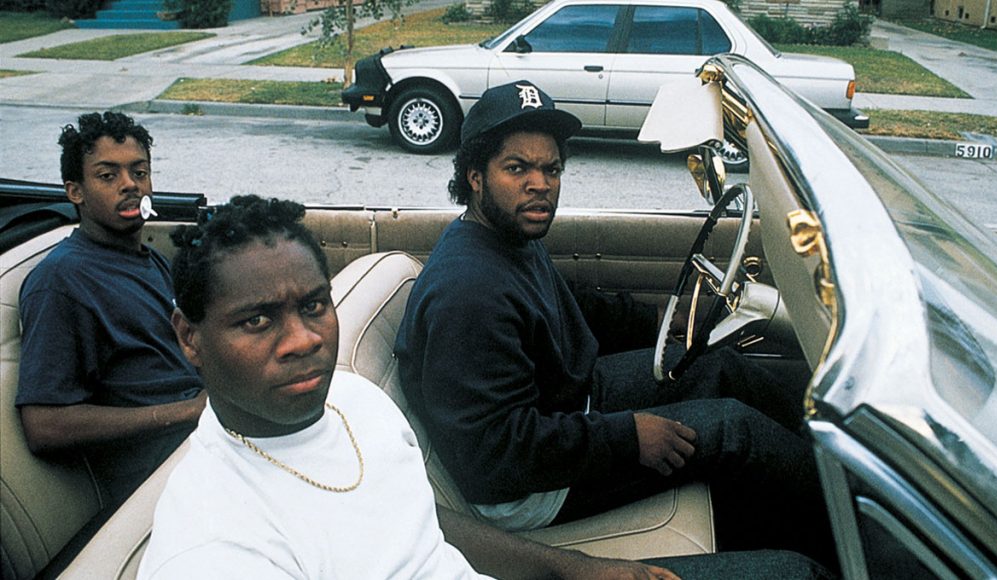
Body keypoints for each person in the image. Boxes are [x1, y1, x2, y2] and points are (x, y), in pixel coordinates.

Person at [140, 195, 831, 579]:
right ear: (189, 336)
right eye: (257, 320)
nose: (303, 340)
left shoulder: (352, 403)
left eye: (314, 305)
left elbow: (420, 519)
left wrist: (577, 571)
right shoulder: (216, 551)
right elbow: (500, 452)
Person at [393, 81, 836, 567]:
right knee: (734, 430)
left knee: (719, 368)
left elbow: (575, 305)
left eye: (551, 169)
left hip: (567, 405)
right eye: (517, 168)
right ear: (475, 177)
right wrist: (628, 438)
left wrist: (661, 325)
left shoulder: (506, 239)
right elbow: (496, 453)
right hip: (526, 488)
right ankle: (848, 531)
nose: (540, 184)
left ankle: (834, 461)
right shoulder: (469, 294)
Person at [16, 111, 206, 507]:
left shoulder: (151, 260)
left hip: (205, 442)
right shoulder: (61, 281)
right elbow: (44, 425)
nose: (130, 185)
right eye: (107, 175)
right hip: (165, 476)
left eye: (140, 172)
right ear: (76, 192)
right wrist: (189, 411)